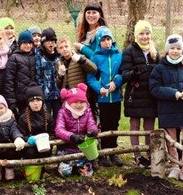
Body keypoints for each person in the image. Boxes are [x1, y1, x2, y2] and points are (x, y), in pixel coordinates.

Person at [149, 35, 183, 184]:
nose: (175, 51)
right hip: (167, 109)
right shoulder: (159, 68)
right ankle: (175, 166)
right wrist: (173, 93)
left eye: (178, 48)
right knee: (171, 140)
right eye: (172, 48)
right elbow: (154, 88)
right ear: (167, 50)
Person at [121, 20, 158, 168]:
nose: (145, 36)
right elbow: (125, 74)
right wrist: (136, 72)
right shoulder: (129, 51)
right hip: (135, 94)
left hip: (150, 94)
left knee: (149, 126)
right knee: (135, 125)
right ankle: (137, 155)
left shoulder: (154, 52)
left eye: (147, 33)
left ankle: (149, 154)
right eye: (142, 33)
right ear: (137, 35)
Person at [87, 26, 124, 167]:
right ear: (98, 42)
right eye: (103, 40)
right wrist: (99, 88)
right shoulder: (95, 57)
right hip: (102, 99)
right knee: (103, 124)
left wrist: (116, 82)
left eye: (109, 39)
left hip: (115, 97)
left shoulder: (118, 55)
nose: (107, 43)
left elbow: (122, 72)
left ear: (112, 41)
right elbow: (91, 78)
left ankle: (113, 152)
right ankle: (103, 153)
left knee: (114, 124)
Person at [54, 83, 100, 177]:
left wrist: (93, 130)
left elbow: (91, 123)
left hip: (83, 149)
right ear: (70, 102)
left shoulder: (87, 111)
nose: (79, 105)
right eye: (75, 102)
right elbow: (59, 129)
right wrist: (71, 136)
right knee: (65, 173)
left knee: (87, 174)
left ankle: (82, 164)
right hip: (66, 149)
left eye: (81, 102)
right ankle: (66, 164)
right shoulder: (63, 112)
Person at [0, 95, 26, 182]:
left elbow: (14, 130)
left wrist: (18, 137)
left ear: (5, 108)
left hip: (7, 144)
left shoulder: (11, 119)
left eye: (1, 108)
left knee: (12, 150)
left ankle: (9, 168)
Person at [3, 30, 38, 115]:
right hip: (20, 98)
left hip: (33, 97)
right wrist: (12, 101)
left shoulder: (35, 56)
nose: (28, 45)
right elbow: (9, 81)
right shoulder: (14, 58)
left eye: (30, 43)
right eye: (25, 43)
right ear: (20, 44)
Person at [19, 86, 54, 164]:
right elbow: (21, 135)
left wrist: (45, 139)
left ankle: (43, 169)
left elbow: (52, 134)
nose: (36, 103)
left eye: (38, 100)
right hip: (29, 146)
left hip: (44, 145)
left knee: (45, 151)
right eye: (32, 101)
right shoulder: (23, 118)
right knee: (30, 152)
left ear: (42, 101)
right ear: (28, 103)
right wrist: (29, 139)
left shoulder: (48, 116)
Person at [34, 27, 61, 120]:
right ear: (43, 43)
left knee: (58, 116)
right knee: (46, 117)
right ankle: (47, 132)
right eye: (48, 41)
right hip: (45, 93)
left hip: (58, 93)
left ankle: (57, 132)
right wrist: (40, 91)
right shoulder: (38, 55)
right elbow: (38, 75)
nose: (51, 43)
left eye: (53, 41)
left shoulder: (59, 55)